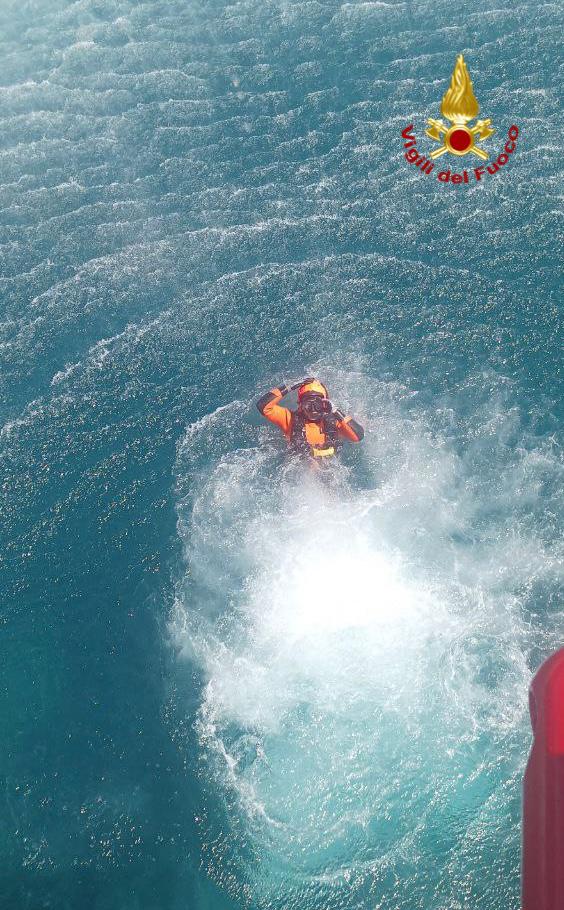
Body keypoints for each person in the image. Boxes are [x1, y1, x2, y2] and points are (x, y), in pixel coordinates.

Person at [256, 377, 364, 461]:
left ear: (325, 404)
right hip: (300, 469)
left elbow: (358, 436)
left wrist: (336, 411)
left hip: (330, 469)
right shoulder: (289, 420)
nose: (313, 409)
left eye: (317, 404)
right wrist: (290, 386)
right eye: (308, 405)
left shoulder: (335, 422)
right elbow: (263, 406)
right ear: (300, 405)